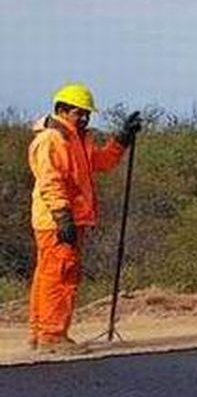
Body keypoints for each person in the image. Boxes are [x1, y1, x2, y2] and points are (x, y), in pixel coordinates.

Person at [28, 84, 141, 353]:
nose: (85, 119)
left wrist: (122, 140)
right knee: (61, 277)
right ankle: (52, 336)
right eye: (80, 113)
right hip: (58, 221)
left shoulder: (77, 138)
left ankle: (41, 332)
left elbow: (102, 162)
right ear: (62, 110)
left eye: (87, 114)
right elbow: (50, 181)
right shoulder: (52, 140)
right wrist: (62, 215)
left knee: (49, 275)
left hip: (68, 219)